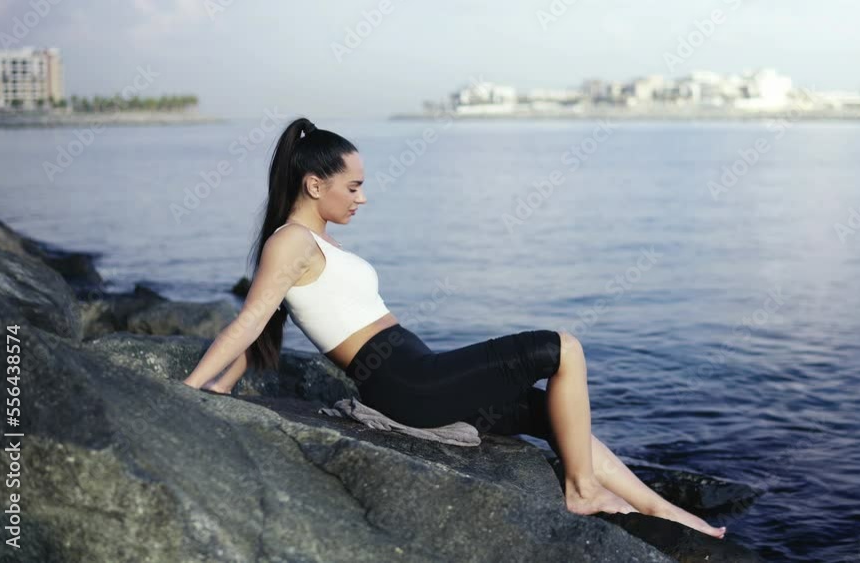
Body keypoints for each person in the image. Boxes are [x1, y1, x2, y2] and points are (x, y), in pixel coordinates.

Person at [182, 117, 726, 538]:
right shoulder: (291, 242)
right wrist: (190, 390)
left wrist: (225, 386)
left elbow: (264, 329)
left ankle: (664, 510)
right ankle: (582, 489)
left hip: (420, 375)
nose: (363, 197)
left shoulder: (315, 242)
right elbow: (250, 320)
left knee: (547, 412)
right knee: (562, 348)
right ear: (314, 184)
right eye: (354, 186)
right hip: (407, 385)